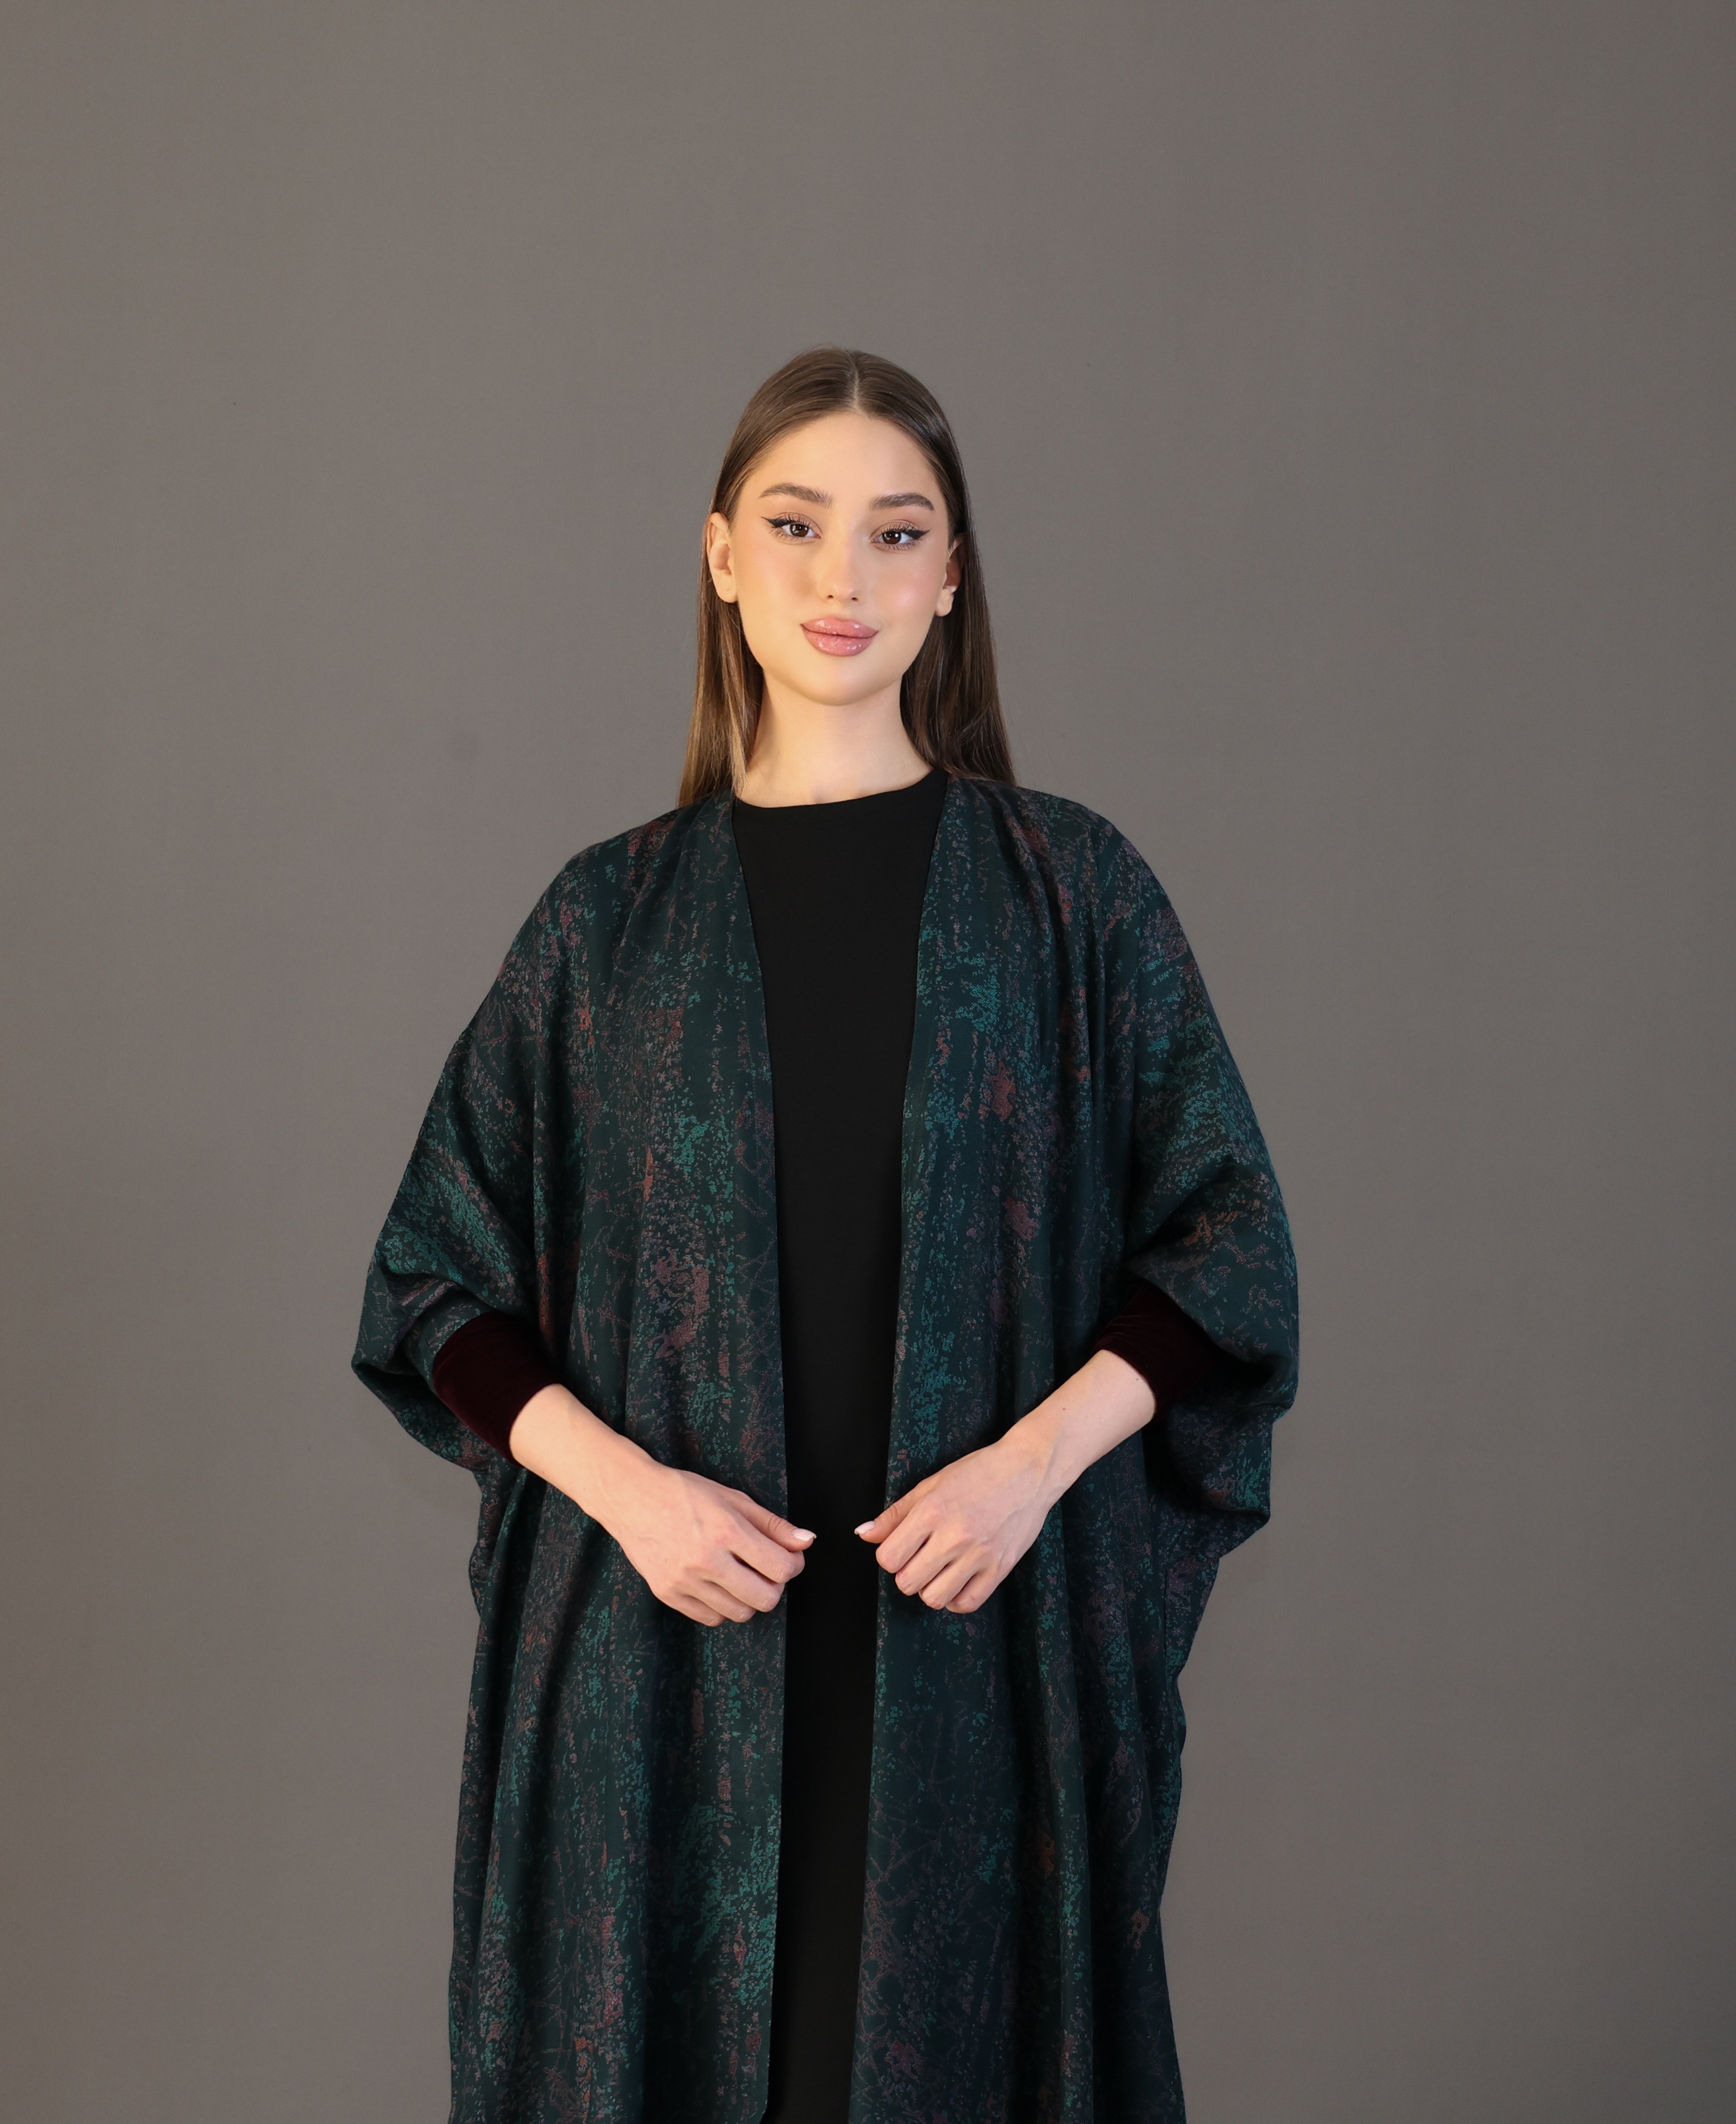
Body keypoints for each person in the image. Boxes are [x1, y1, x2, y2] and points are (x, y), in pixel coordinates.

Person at [353, 347, 1299, 2124]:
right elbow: (432, 1285)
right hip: (667, 1671)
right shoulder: (605, 928)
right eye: (796, 526)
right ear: (722, 557)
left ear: (953, 578)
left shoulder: (1072, 898)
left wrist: (1027, 1471)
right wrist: (632, 1498)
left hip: (973, 1657)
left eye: (896, 531)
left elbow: (1226, 1246)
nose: (842, 575)